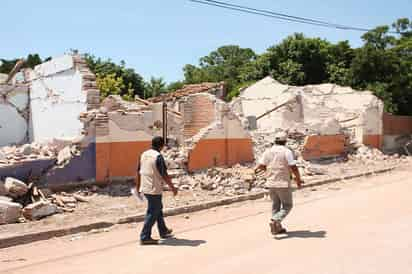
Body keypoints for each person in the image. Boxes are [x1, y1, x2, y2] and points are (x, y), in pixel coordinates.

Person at [254, 131, 303, 235]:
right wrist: (298, 180)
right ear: (285, 141)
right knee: (287, 205)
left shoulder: (267, 151)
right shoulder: (287, 151)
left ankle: (277, 228)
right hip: (283, 183)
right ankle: (275, 220)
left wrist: (268, 169)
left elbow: (261, 166)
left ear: (275, 141)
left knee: (275, 205)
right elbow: (293, 167)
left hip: (271, 183)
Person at [136, 136, 178, 245]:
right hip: (154, 188)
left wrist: (137, 187)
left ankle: (163, 230)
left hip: (145, 187)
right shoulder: (158, 157)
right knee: (153, 211)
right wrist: (172, 187)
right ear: (161, 146)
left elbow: (138, 171)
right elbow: (164, 174)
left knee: (157, 208)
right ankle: (145, 237)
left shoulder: (144, 154)